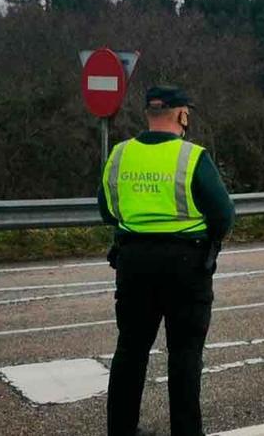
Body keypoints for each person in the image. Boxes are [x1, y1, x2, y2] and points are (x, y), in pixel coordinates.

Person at [99, 86, 235, 436]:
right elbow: (223, 214)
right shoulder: (192, 156)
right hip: (185, 264)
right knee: (185, 354)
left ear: (148, 113)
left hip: (133, 261)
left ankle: (121, 430)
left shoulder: (119, 154)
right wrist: (209, 239)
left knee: (130, 349)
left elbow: (107, 209)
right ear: (181, 115)